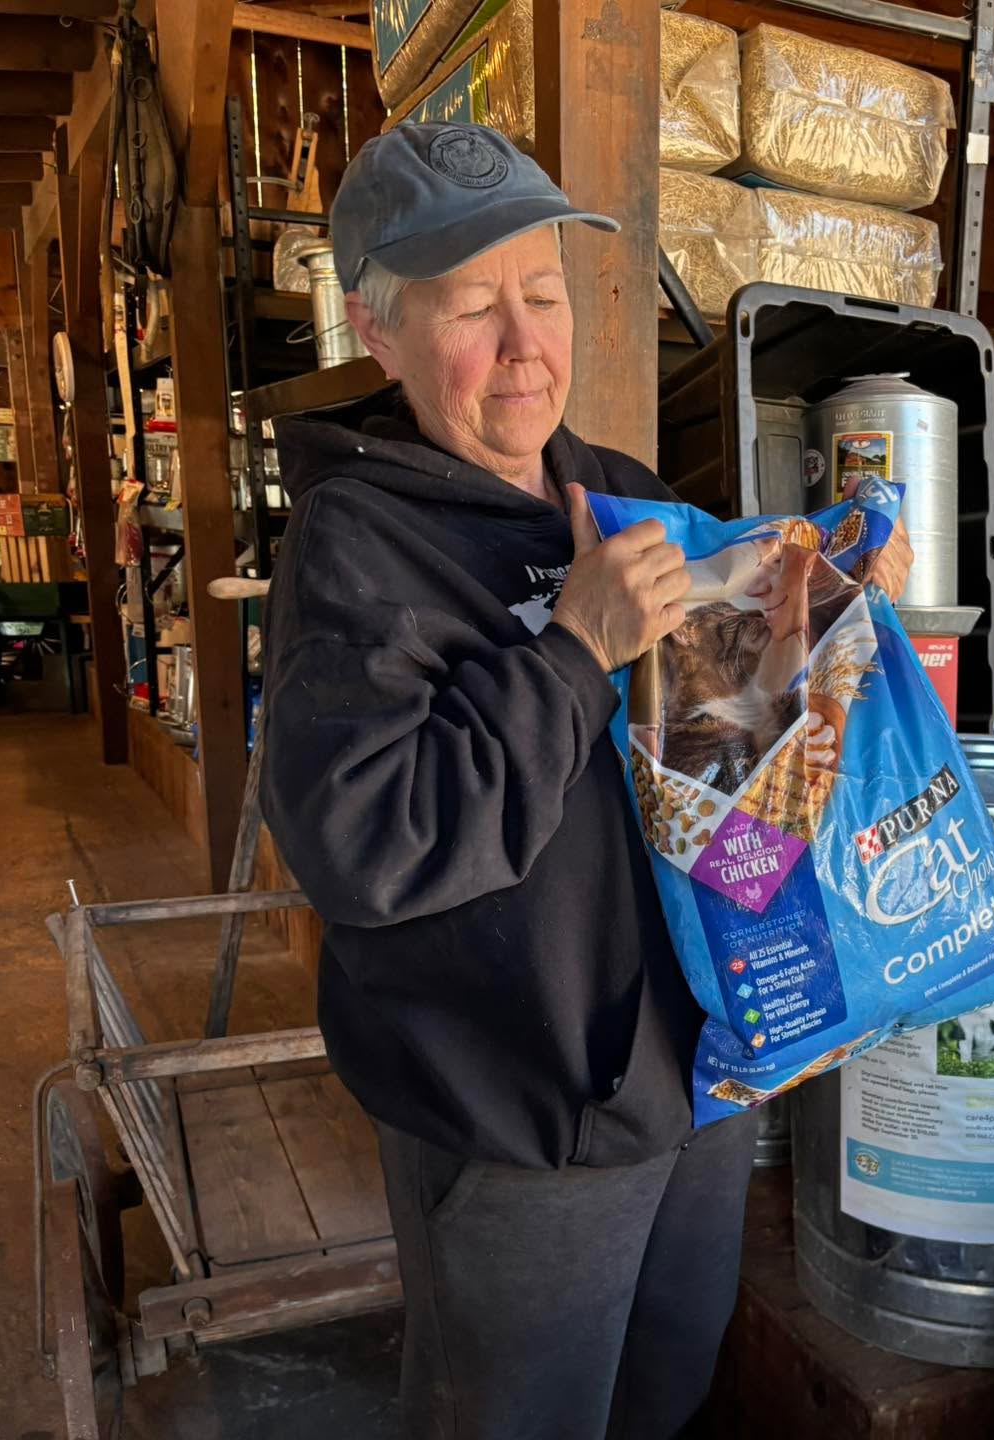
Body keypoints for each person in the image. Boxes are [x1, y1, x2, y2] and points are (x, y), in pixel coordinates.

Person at [259, 122, 912, 1440]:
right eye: (472, 307)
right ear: (378, 332)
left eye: (544, 296)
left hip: (696, 1072)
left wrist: (818, 627)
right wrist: (572, 652)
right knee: (517, 1419)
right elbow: (369, 851)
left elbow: (721, 749)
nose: (524, 345)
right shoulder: (354, 548)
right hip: (516, 1110)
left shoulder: (616, 494)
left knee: (665, 1390)